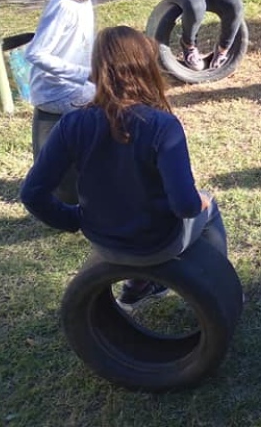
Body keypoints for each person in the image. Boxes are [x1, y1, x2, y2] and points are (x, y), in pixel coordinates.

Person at [20, 26, 228, 311]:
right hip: (158, 242)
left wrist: (73, 219)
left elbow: (32, 194)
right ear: (146, 68)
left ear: (97, 70)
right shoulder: (163, 126)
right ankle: (220, 293)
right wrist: (200, 202)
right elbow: (184, 206)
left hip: (102, 239)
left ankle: (136, 287)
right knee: (209, 207)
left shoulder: (71, 124)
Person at [26, 0, 119, 114]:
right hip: (57, 93)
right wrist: (84, 74)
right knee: (119, 108)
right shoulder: (65, 6)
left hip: (77, 84)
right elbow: (36, 54)